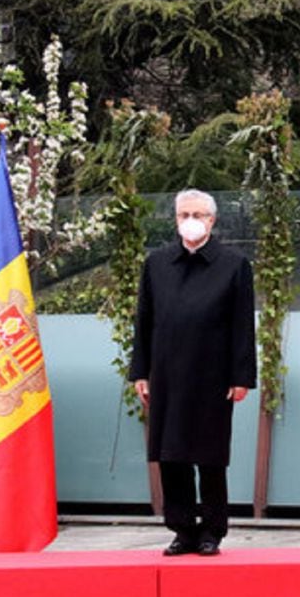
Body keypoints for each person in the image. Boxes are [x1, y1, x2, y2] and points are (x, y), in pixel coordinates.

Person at [129, 189, 256, 557]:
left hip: (213, 375)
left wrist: (241, 376)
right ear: (175, 220)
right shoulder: (157, 264)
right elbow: (144, 321)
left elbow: (242, 325)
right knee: (172, 453)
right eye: (184, 214)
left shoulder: (233, 264)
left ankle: (212, 530)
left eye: (198, 214)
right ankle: (182, 528)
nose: (191, 220)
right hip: (166, 372)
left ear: (213, 220)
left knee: (211, 454)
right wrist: (141, 371)